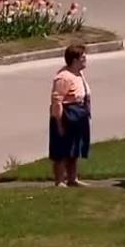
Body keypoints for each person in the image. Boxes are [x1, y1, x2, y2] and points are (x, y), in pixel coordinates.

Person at [49, 44, 92, 187]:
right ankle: (60, 180)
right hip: (66, 115)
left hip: (79, 114)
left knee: (74, 149)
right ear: (75, 60)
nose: (86, 60)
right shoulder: (63, 77)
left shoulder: (78, 74)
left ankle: (73, 178)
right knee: (61, 150)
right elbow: (57, 101)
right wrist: (59, 123)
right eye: (83, 58)